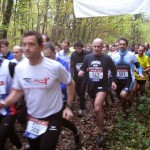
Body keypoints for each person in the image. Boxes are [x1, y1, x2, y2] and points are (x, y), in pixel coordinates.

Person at [0, 31, 75, 150]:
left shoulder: (54, 66)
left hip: (53, 117)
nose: (27, 48)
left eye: (31, 44)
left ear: (41, 47)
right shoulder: (20, 68)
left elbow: (70, 83)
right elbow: (17, 91)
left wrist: (68, 106)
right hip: (33, 119)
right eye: (24, 44)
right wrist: (5, 103)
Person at [78, 38, 117, 146]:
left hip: (102, 86)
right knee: (97, 110)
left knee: (97, 107)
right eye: (94, 46)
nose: (96, 48)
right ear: (92, 46)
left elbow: (114, 70)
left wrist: (113, 81)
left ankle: (100, 132)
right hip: (91, 87)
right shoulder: (88, 57)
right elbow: (83, 67)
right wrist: (81, 71)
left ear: (102, 46)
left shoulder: (107, 58)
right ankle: (100, 120)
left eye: (98, 46)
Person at [43, 42, 80, 149]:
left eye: (49, 56)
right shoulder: (41, 64)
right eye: (44, 56)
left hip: (61, 99)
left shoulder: (63, 64)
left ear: (55, 53)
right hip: (47, 101)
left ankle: (76, 132)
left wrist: (53, 87)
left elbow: (68, 83)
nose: (47, 59)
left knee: (64, 122)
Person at [111, 38, 143, 118]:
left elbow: (138, 66)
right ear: (118, 45)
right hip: (118, 80)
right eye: (120, 44)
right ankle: (125, 113)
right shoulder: (114, 55)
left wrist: (140, 73)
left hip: (128, 80)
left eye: (123, 44)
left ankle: (131, 102)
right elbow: (111, 68)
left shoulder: (131, 55)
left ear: (126, 45)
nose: (122, 46)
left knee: (123, 95)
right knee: (121, 98)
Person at [0, 54, 23, 150]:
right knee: (10, 132)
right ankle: (20, 147)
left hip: (11, 109)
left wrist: (21, 100)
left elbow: (22, 83)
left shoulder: (10, 65)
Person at [70, 41, 89, 117]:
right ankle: (83, 98)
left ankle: (81, 108)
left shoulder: (86, 54)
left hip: (84, 75)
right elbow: (72, 65)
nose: (78, 50)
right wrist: (72, 73)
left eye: (79, 48)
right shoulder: (73, 54)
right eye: (76, 48)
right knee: (78, 91)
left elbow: (88, 63)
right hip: (76, 75)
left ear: (82, 48)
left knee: (82, 90)